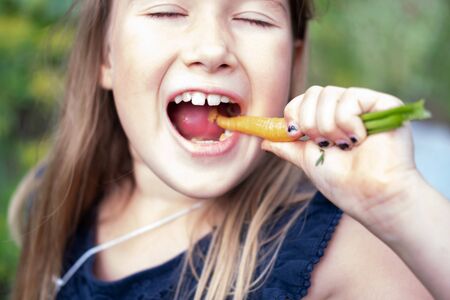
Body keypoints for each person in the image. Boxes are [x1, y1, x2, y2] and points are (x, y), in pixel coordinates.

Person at [7, 0, 449, 299]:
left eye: (255, 17)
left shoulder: (342, 254)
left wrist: (398, 203)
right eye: (166, 9)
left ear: (293, 62)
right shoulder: (57, 203)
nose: (212, 49)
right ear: (106, 57)